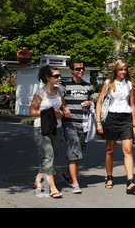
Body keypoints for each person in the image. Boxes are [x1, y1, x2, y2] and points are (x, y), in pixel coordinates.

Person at [95, 59, 135, 194]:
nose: (123, 72)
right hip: (112, 118)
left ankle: (130, 181)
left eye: (125, 69)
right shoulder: (108, 84)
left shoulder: (129, 84)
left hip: (126, 119)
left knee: (128, 150)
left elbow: (132, 105)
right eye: (121, 69)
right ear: (115, 70)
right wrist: (98, 122)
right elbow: (99, 102)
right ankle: (109, 177)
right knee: (110, 150)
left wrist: (134, 124)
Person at [29, 65, 71, 199]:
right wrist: (50, 115)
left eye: (59, 76)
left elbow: (63, 105)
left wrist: (65, 111)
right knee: (48, 157)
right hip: (42, 128)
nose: (59, 78)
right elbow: (32, 111)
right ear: (47, 77)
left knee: (51, 155)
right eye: (56, 76)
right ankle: (52, 188)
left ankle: (38, 179)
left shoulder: (59, 91)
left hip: (57, 128)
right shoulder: (40, 93)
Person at [60, 59, 94, 194]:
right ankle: (75, 183)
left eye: (82, 68)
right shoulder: (64, 85)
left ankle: (66, 174)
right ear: (71, 71)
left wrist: (89, 103)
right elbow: (59, 97)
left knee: (79, 152)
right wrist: (64, 108)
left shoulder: (88, 86)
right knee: (74, 150)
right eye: (77, 69)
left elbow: (91, 100)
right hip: (70, 123)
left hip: (84, 123)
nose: (81, 71)